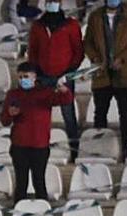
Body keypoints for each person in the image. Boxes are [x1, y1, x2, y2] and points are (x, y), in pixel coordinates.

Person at [1, 63, 75, 203]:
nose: (23, 79)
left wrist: (63, 89)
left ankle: (44, 215)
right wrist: (10, 114)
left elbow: (66, 100)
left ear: (34, 77)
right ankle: (18, 215)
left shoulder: (45, 93)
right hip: (19, 146)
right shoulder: (13, 95)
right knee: (21, 183)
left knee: (39, 181)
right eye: (21, 77)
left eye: (26, 76)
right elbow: (4, 120)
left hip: (39, 146)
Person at [83, 0, 127, 157]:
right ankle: (99, 149)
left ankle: (126, 148)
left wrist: (122, 59)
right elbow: (87, 42)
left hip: (123, 72)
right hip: (102, 73)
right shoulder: (95, 16)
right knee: (100, 112)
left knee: (125, 112)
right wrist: (95, 58)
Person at [27, 3, 84, 158]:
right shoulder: (38, 26)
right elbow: (32, 51)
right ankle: (39, 150)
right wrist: (35, 72)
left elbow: (78, 50)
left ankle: (74, 151)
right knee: (40, 116)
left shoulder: (70, 25)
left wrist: (70, 71)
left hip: (64, 77)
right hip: (43, 76)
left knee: (68, 115)